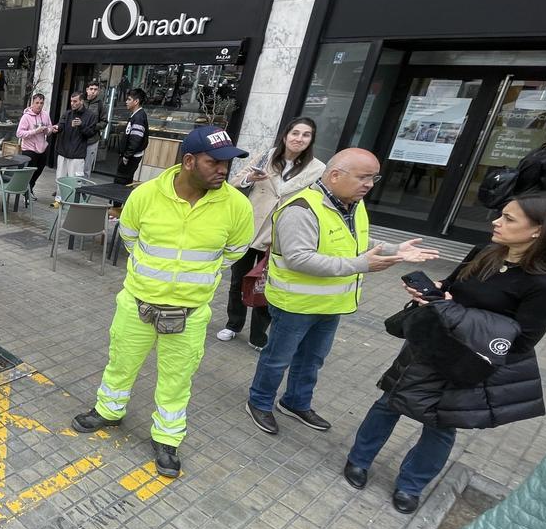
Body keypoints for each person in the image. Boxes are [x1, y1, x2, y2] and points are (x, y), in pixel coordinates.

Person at [345, 192, 546, 514]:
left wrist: (456, 315)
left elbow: (521, 341)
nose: (496, 222)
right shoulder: (485, 252)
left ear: (538, 230)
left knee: (442, 425)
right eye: (501, 214)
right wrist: (434, 292)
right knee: (388, 403)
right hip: (428, 343)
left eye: (509, 219)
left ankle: (410, 485)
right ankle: (358, 460)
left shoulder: (541, 283)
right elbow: (453, 286)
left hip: (467, 362)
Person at [70, 125, 255, 477]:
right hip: (137, 305)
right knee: (120, 364)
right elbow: (130, 236)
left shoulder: (237, 206)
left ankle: (167, 437)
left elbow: (233, 252)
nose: (223, 170)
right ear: (188, 161)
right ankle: (108, 411)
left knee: (177, 379)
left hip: (190, 313)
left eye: (227, 164)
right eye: (214, 162)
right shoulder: (145, 195)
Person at [245, 149, 439, 436]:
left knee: (312, 359)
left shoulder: (352, 204)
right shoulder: (301, 209)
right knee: (278, 358)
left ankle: (296, 402)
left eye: (374, 178)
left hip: (332, 304)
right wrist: (363, 264)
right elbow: (301, 259)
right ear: (335, 176)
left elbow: (358, 239)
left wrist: (396, 249)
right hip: (295, 305)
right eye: (363, 177)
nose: (370, 184)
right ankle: (259, 402)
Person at [218, 117, 326, 350]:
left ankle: (259, 335)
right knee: (238, 280)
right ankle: (233, 324)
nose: (299, 138)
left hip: (282, 234)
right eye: (295, 133)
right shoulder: (268, 156)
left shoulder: (318, 169)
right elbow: (236, 181)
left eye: (306, 135)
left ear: (311, 140)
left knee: (267, 286)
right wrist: (249, 178)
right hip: (252, 229)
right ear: (286, 135)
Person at [50, 91, 98, 203]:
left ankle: (73, 201)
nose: (72, 103)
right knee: (60, 178)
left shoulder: (90, 116)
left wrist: (81, 126)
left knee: (75, 180)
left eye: (75, 101)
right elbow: (60, 125)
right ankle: (58, 199)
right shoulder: (67, 114)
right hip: (63, 151)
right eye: (71, 101)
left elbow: (91, 133)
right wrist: (57, 128)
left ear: (81, 101)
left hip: (77, 154)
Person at [15, 93, 53, 198]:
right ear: (32, 103)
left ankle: (29, 188)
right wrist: (35, 131)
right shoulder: (26, 117)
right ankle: (26, 191)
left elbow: (50, 129)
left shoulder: (45, 115)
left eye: (41, 103)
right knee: (30, 172)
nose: (39, 105)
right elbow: (19, 133)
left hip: (42, 148)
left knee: (39, 170)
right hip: (29, 148)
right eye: (37, 103)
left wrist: (47, 130)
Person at [112, 88, 148, 185]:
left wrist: (127, 156)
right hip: (130, 156)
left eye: (129, 99)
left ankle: (119, 201)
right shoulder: (136, 115)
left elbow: (135, 139)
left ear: (136, 101)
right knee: (123, 182)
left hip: (131, 157)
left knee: (121, 183)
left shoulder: (139, 117)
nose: (126, 102)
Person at [83, 81, 106, 177]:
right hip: (79, 139)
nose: (93, 91)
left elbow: (104, 122)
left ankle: (82, 190)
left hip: (92, 140)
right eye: (91, 89)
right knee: (76, 166)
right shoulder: (81, 101)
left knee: (86, 169)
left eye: (95, 89)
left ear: (98, 91)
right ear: (87, 90)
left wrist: (94, 127)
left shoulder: (100, 105)